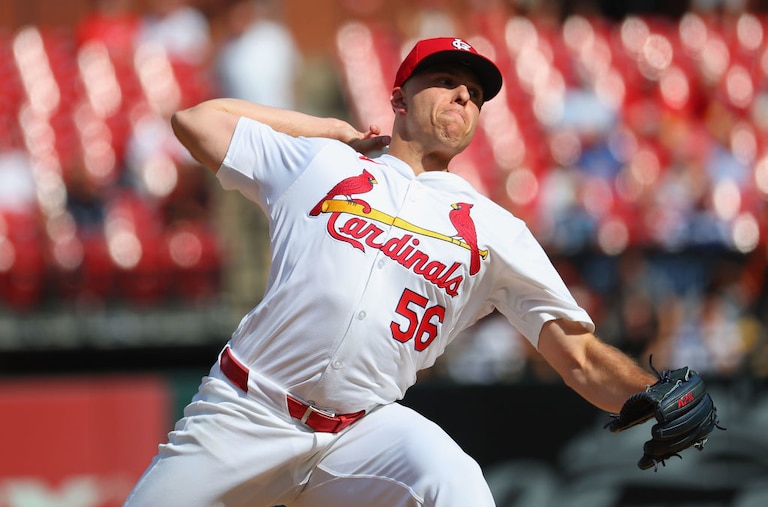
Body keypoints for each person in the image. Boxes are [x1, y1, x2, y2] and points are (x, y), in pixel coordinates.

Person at [124, 37, 672, 507]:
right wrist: (328, 130)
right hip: (246, 411)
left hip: (359, 432)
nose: (464, 95)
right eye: (445, 81)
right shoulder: (322, 163)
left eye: (474, 93)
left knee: (455, 480)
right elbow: (196, 121)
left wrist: (653, 394)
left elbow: (579, 357)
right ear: (398, 99)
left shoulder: (495, 229)